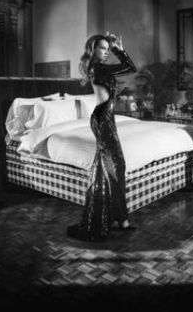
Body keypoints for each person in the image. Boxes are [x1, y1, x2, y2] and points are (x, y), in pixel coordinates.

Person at [67, 32, 137, 241]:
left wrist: (117, 49)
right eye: (103, 48)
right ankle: (121, 219)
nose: (106, 52)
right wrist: (118, 49)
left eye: (108, 49)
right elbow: (131, 68)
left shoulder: (101, 68)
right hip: (102, 120)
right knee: (119, 164)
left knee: (106, 169)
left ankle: (116, 217)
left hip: (107, 118)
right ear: (93, 49)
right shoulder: (97, 68)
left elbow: (129, 69)